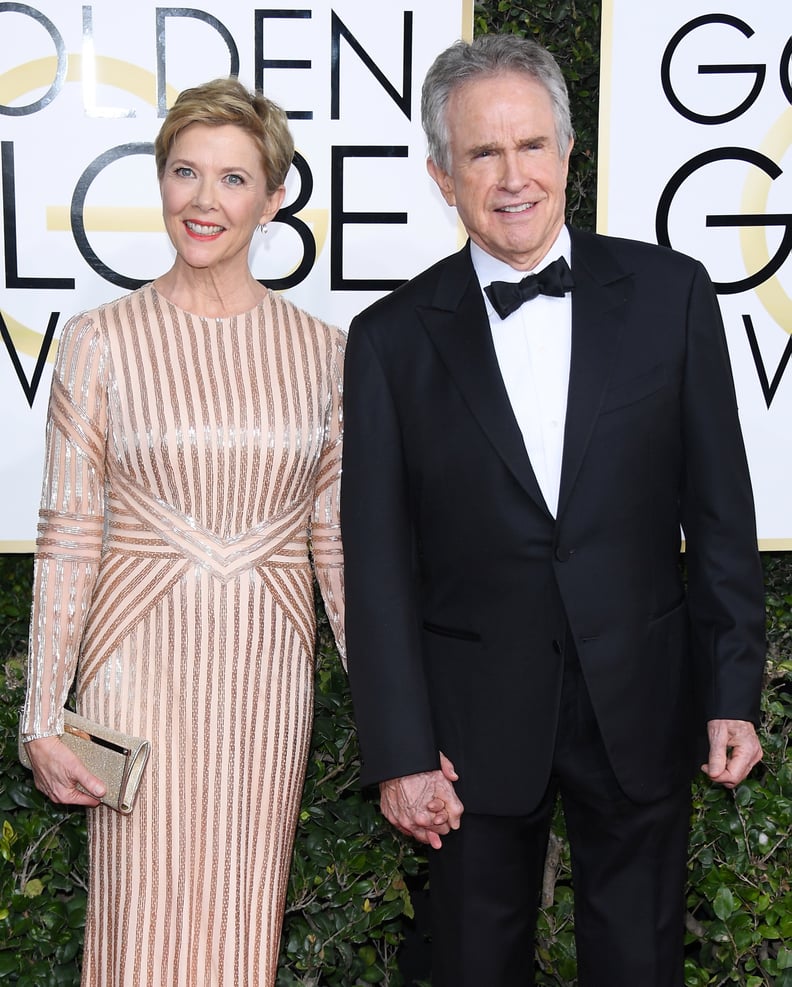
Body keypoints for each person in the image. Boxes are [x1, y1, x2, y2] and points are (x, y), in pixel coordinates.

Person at [340, 34, 765, 987]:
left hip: (644, 697)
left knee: (641, 962)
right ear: (442, 176)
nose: (513, 176)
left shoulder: (671, 294)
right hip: (469, 728)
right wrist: (400, 750)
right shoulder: (390, 341)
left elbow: (722, 513)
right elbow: (375, 565)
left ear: (569, 154)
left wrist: (733, 687)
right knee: (474, 967)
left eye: (532, 145)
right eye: (483, 153)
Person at [20, 78, 345, 987]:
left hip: (267, 673)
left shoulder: (325, 351)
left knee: (244, 917)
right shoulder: (100, 340)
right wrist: (43, 716)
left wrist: (402, 723)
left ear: (274, 196)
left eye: (234, 179)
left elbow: (339, 543)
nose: (205, 200)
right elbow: (71, 534)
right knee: (140, 921)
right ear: (160, 182)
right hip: (136, 671)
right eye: (185, 173)